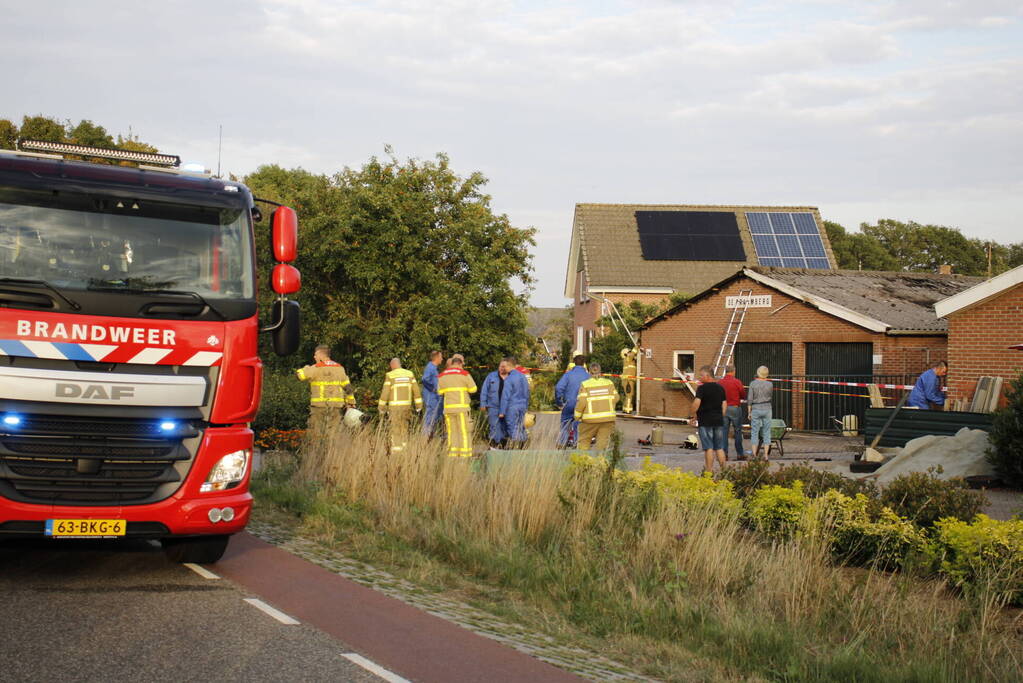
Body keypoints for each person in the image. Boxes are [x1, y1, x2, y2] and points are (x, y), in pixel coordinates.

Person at [295, 345, 356, 440]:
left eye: (315, 355)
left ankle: (318, 452)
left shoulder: (315, 368)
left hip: (319, 407)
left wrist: (306, 367)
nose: (314, 357)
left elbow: (299, 376)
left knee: (316, 432)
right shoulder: (340, 368)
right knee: (334, 432)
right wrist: (351, 403)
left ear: (320, 355)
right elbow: (348, 388)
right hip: (336, 407)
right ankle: (332, 452)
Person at [480, 357, 531, 448]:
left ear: (508, 366)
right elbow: (484, 390)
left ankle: (513, 447)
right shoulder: (491, 376)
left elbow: (505, 397)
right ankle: (495, 447)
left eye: (504, 366)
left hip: (508, 408)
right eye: (501, 366)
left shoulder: (510, 378)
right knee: (495, 428)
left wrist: (502, 412)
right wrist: (483, 403)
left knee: (510, 428)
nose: (502, 368)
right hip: (494, 407)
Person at [378, 358, 422, 454]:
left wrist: (381, 407)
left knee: (395, 431)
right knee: (404, 430)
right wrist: (419, 406)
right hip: (407, 408)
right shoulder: (410, 374)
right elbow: (416, 391)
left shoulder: (390, 375)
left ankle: (397, 454)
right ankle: (405, 451)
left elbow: (385, 393)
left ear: (392, 365)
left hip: (395, 409)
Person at [438, 354, 478, 457]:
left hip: (448, 409)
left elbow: (439, 391)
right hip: (462, 408)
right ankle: (465, 455)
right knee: (464, 432)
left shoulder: (442, 375)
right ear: (460, 364)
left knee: (452, 433)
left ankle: (453, 455)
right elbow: (473, 389)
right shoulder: (464, 374)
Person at [690, 365, 727, 474]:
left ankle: (709, 473)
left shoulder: (702, 388)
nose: (700, 377)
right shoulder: (720, 388)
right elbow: (724, 404)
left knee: (708, 448)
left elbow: (697, 403)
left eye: (701, 375)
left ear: (707, 375)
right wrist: (721, 416)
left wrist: (692, 415)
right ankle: (725, 472)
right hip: (718, 421)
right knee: (719, 447)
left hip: (705, 422)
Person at [574, 363, 619, 452]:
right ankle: (600, 463)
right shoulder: (609, 383)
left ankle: (582, 463)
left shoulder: (585, 384)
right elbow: (616, 398)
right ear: (600, 372)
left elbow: (582, 402)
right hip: (607, 420)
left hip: (589, 421)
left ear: (589, 373)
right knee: (602, 446)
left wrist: (577, 416)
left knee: (584, 443)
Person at [555, 355, 590, 447]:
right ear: (584, 364)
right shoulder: (588, 376)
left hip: (568, 404)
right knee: (579, 426)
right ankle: (577, 444)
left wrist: (559, 402)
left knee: (565, 425)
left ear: (574, 362)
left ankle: (562, 444)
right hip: (582, 406)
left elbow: (558, 388)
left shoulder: (568, 375)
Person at [718, 365, 747, 460]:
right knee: (738, 431)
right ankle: (739, 453)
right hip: (735, 408)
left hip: (723, 408)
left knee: (724, 431)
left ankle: (724, 454)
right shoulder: (737, 382)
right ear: (733, 371)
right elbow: (743, 394)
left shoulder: (720, 382)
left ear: (726, 371)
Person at [748, 366, 773, 460]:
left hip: (755, 408)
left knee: (754, 432)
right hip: (767, 408)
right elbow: (770, 396)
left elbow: (750, 399)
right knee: (767, 432)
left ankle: (754, 455)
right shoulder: (770, 384)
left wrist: (749, 411)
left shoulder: (752, 384)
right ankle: (766, 455)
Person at [421, 350, 444, 436]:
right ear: (437, 358)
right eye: (441, 357)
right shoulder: (430, 367)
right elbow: (425, 379)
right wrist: (433, 389)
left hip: (434, 398)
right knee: (429, 419)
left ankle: (430, 437)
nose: (442, 359)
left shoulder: (433, 368)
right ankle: (425, 437)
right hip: (431, 398)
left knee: (434, 419)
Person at [620, 346, 639, 413]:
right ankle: (628, 410)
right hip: (628, 380)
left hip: (627, 380)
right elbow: (632, 354)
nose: (630, 353)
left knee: (627, 395)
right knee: (629, 395)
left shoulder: (629, 361)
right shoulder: (628, 359)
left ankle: (625, 408)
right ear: (625, 354)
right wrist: (637, 346)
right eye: (629, 352)